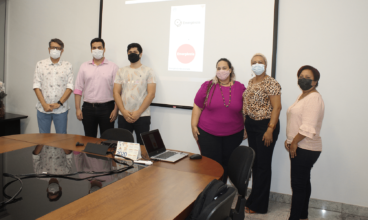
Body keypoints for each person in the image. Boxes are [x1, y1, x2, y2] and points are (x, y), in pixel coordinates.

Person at [191, 58, 246, 183]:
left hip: (233, 135)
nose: (221, 71)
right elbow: (197, 106)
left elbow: (245, 110)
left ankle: (221, 192)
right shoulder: (208, 86)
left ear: (230, 70)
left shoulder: (240, 88)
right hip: (208, 134)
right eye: (218, 68)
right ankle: (209, 193)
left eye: (224, 68)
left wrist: (246, 127)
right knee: (210, 166)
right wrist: (194, 125)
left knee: (227, 165)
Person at [243, 53, 282, 214]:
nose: (257, 64)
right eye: (254, 62)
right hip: (252, 126)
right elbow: (248, 105)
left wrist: (270, 129)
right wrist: (245, 126)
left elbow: (277, 107)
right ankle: (253, 199)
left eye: (260, 62)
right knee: (256, 165)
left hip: (266, 126)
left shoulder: (271, 82)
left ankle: (259, 206)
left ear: (266, 65)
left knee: (263, 166)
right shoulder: (251, 82)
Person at [285, 65, 324, 220]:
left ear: (315, 82)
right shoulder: (304, 96)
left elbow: (308, 126)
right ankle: (303, 216)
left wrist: (294, 142)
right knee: (303, 182)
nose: (303, 79)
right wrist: (289, 141)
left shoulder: (314, 98)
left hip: (305, 147)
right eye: (301, 76)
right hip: (300, 145)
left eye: (308, 78)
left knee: (298, 185)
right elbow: (297, 121)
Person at [74, 38, 119, 137]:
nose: (97, 50)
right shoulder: (84, 66)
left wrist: (116, 109)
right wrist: (77, 108)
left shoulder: (113, 67)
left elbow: (118, 91)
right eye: (94, 48)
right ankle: (90, 153)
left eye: (99, 47)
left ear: (104, 49)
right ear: (91, 50)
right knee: (89, 139)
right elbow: (78, 89)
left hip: (107, 108)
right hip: (88, 108)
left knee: (107, 140)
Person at [113, 43, 156, 145]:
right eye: (130, 52)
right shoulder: (121, 71)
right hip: (124, 115)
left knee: (143, 147)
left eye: (135, 52)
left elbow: (151, 94)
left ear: (140, 54)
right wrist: (123, 111)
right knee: (123, 147)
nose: (132, 54)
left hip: (142, 116)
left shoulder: (149, 71)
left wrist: (138, 112)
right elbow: (116, 92)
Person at [33, 38, 73, 134]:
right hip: (43, 109)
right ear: (48, 49)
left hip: (61, 109)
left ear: (62, 50)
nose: (55, 50)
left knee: (62, 138)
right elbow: (36, 85)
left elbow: (70, 87)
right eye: (53, 47)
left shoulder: (67, 65)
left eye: (58, 48)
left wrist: (59, 103)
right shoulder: (40, 64)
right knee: (43, 138)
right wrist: (44, 104)